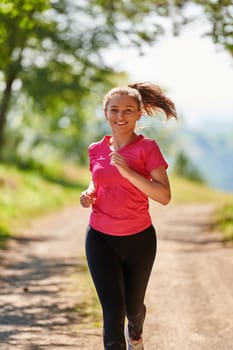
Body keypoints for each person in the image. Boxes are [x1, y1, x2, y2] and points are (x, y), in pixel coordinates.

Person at [80, 82, 178, 350]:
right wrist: (89, 193)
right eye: (114, 110)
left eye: (128, 110)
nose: (120, 116)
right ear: (105, 113)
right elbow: (97, 181)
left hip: (139, 240)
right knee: (113, 311)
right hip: (100, 238)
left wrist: (128, 172)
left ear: (138, 115)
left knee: (133, 310)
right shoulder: (95, 149)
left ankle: (136, 333)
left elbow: (164, 196)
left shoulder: (147, 149)